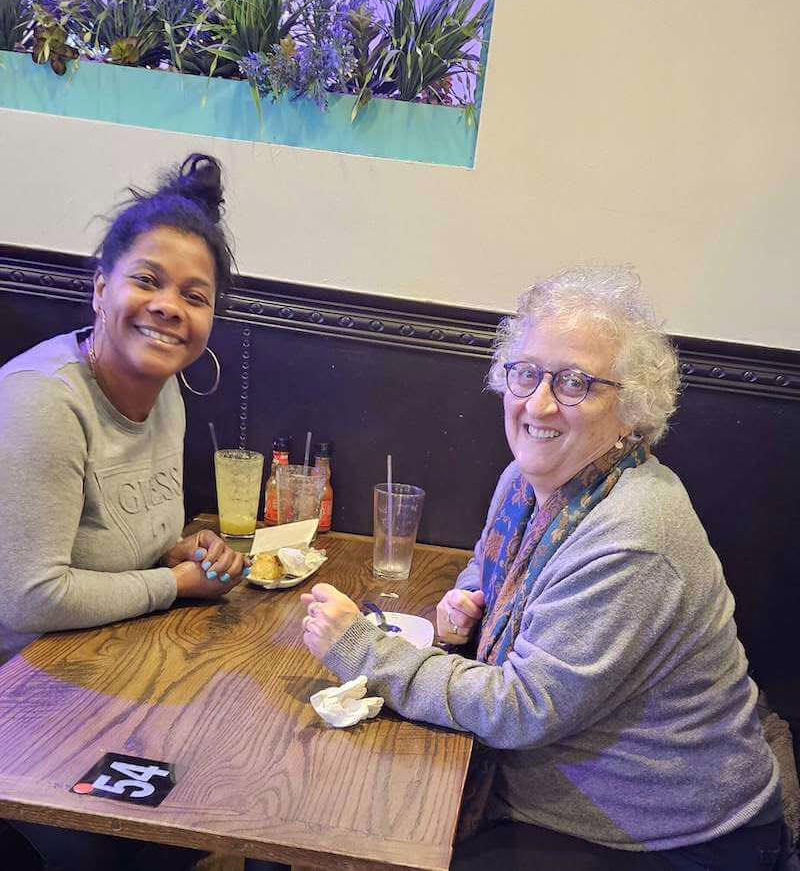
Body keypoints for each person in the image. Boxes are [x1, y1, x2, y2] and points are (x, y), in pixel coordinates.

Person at [294, 265, 798, 870]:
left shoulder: (634, 535)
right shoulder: (528, 482)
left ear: (632, 410)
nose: (538, 403)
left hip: (670, 838)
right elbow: (490, 568)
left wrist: (362, 649)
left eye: (576, 383)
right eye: (527, 373)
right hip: (563, 801)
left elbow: (522, 708)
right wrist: (469, 601)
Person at [0, 152, 248, 870]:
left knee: (223, 789)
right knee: (136, 847)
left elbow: (146, 537)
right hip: (21, 702)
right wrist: (175, 585)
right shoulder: (42, 401)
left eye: (194, 295)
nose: (169, 305)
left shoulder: (164, 391)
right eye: (147, 280)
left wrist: (187, 551)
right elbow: (27, 595)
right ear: (101, 290)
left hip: (101, 678)